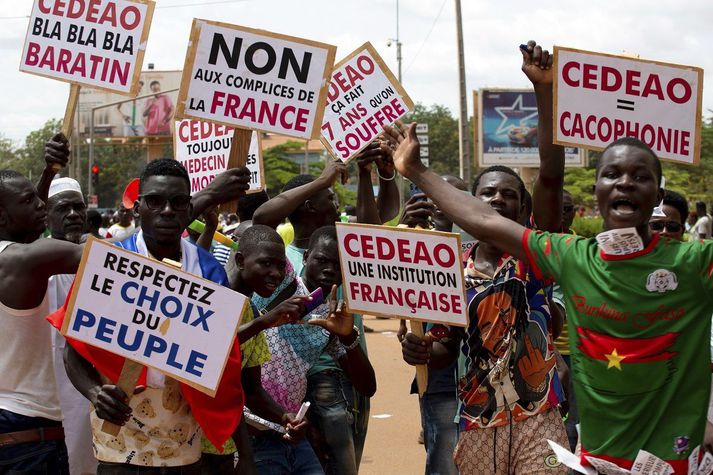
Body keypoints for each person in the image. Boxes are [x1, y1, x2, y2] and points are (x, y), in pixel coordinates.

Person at [392, 39, 712, 475]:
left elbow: (547, 173)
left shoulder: (695, 263)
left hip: (673, 462)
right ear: (596, 191)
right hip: (589, 460)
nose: (624, 183)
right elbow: (483, 221)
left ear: (657, 194)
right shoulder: (570, 257)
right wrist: (416, 171)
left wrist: (545, 93)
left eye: (640, 176)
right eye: (611, 174)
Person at [58, 159, 256, 474]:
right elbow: (71, 351)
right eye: (155, 201)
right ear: (138, 208)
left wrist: (244, 451)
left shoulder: (210, 273)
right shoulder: (109, 263)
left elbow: (225, 369)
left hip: (183, 447)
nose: (166, 211)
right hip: (118, 443)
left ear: (189, 207)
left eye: (177, 203)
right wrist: (95, 393)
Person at [250, 226, 376, 474]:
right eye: (322, 260)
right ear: (306, 257)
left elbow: (367, 386)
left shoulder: (330, 315)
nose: (330, 269)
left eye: (339, 265)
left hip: (290, 428)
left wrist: (347, 335)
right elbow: (263, 220)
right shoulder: (280, 284)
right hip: (252, 425)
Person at [0, 134, 85, 474]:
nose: (41, 204)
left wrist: (48, 172)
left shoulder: (15, 258)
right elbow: (113, 258)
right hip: (28, 434)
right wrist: (191, 205)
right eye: (30, 200)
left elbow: (19, 227)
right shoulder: (24, 260)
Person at [201, 224, 313, 473]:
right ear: (241, 260)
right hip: (189, 443)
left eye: (280, 265)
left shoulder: (250, 311)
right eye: (266, 264)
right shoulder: (212, 299)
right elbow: (209, 347)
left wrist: (285, 418)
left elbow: (251, 391)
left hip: (223, 446)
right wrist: (265, 321)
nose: (275, 273)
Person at [397, 175, 467, 475]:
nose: (442, 202)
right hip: (441, 379)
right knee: (445, 461)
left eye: (453, 195)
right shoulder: (414, 247)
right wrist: (401, 230)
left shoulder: (485, 250)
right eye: (434, 196)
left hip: (485, 382)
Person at [46, 177, 98, 475]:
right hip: (48, 389)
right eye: (63, 208)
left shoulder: (100, 258)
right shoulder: (33, 262)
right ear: (48, 214)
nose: (74, 215)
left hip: (89, 387)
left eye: (78, 208)